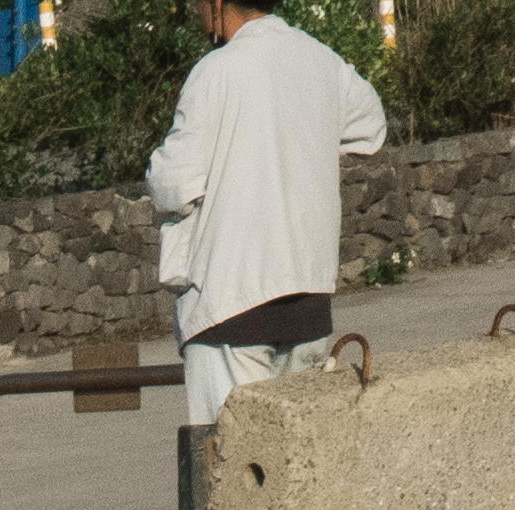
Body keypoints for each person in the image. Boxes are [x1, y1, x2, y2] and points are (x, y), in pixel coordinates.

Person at [146, 0, 387, 431]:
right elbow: (371, 124)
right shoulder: (321, 60)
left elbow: (175, 183)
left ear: (218, 4)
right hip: (308, 300)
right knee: (295, 467)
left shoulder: (215, 71)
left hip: (231, 304)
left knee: (229, 469)